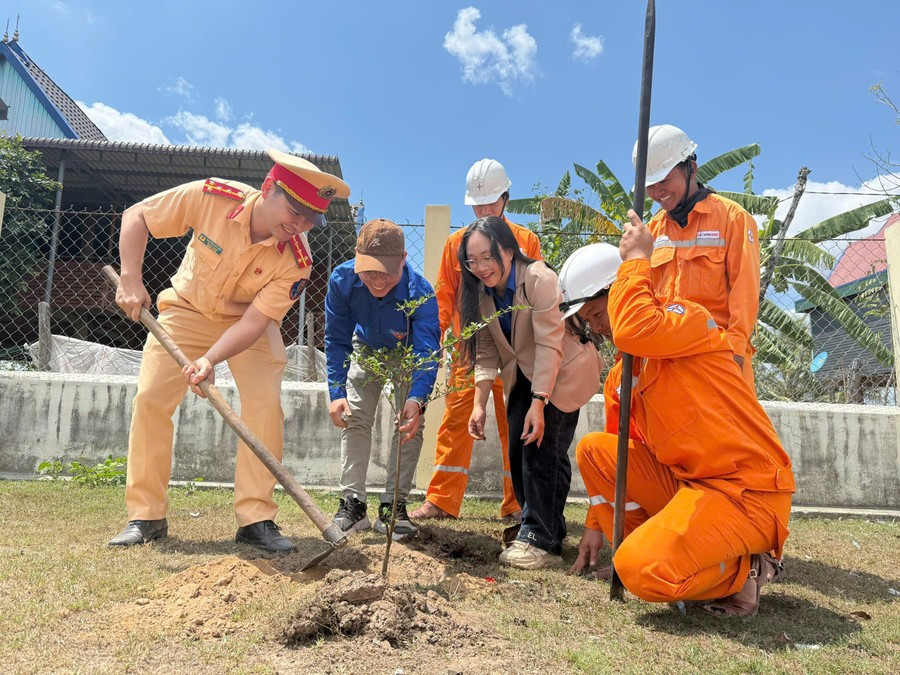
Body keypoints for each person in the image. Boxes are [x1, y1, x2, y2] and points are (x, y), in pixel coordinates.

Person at [109, 149, 350, 552]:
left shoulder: (297, 260)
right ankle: (146, 516)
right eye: (295, 212)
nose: (301, 225)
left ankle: (256, 519)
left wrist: (210, 359)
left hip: (247, 326)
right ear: (269, 188)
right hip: (186, 310)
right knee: (150, 399)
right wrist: (130, 278)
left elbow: (255, 323)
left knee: (264, 409)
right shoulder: (212, 197)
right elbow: (138, 216)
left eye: (311, 219)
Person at [563, 215, 795, 617]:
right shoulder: (621, 377)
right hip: (692, 486)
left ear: (622, 290)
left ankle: (746, 569)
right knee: (596, 450)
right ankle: (645, 553)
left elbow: (636, 329)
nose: (599, 327)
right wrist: (594, 525)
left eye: (599, 312)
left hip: (746, 492)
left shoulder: (687, 320)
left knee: (642, 570)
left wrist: (636, 260)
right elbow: (623, 460)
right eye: (590, 321)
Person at [460, 216, 603, 569]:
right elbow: (486, 350)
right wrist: (479, 404)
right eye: (472, 261)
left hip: (562, 370)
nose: (480, 267)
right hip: (523, 375)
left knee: (543, 450)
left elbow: (549, 343)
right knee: (519, 451)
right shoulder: (481, 293)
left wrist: (539, 402)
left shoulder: (539, 278)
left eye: (487, 257)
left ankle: (542, 540)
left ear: (508, 251)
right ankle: (541, 526)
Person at [412, 158, 542, 522]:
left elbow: (538, 298)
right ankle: (441, 500)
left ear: (505, 198)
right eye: (477, 204)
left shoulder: (527, 241)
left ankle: (517, 505)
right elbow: (443, 298)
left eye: (490, 202)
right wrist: (431, 343)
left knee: (515, 425)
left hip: (514, 354)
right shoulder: (457, 243)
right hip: (469, 352)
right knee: (456, 422)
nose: (484, 210)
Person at [325, 218, 440, 541]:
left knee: (408, 423)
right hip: (366, 348)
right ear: (356, 256)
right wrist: (336, 392)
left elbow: (427, 353)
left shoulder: (421, 293)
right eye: (369, 271)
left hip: (407, 352)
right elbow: (336, 339)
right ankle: (353, 504)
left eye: (386, 272)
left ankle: (393, 506)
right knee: (355, 416)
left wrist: (417, 399)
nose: (377, 281)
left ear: (403, 259)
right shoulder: (342, 280)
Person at [638, 125, 760, 389]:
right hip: (666, 366)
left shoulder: (732, 218)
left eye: (664, 180)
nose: (657, 192)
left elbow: (745, 292)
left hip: (718, 361)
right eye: (650, 185)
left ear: (691, 168)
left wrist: (736, 353)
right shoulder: (651, 232)